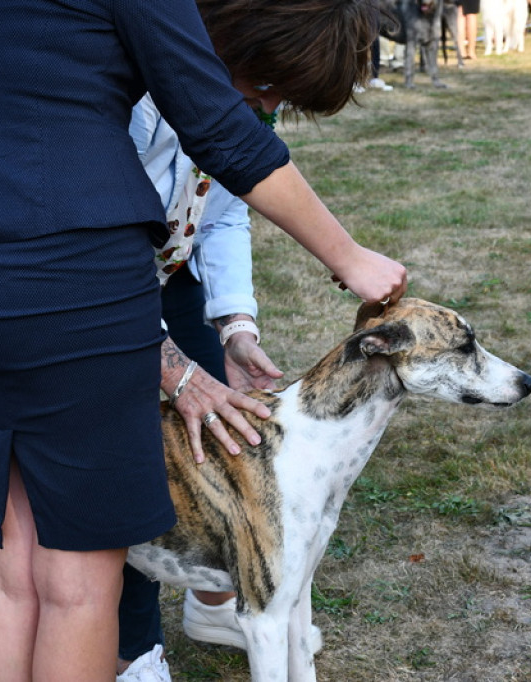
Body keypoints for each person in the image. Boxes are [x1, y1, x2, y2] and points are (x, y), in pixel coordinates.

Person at [0, 2, 407, 681]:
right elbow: (221, 129)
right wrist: (349, 257)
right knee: (76, 587)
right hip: (73, 280)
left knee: (11, 578)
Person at [116, 4, 392, 678]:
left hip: (172, 277)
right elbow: (100, 251)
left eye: (281, 99)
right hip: (101, 281)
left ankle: (217, 598)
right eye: (266, 82)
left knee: (215, 443)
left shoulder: (242, 101)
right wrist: (170, 371)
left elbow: (226, 209)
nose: (267, 105)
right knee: (122, 463)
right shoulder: (129, 99)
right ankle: (130, 649)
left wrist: (234, 325)